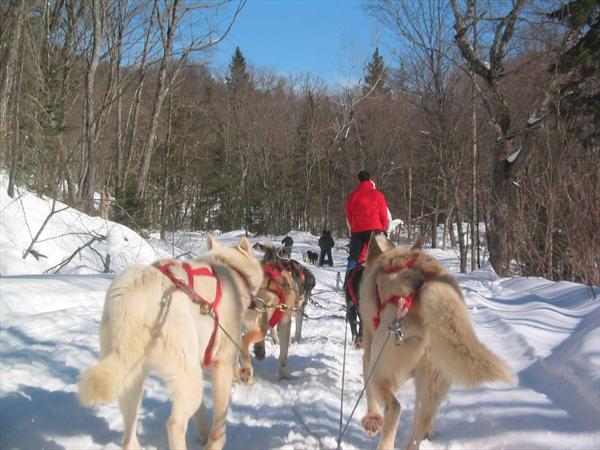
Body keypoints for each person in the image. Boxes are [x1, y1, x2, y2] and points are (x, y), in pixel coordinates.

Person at [344, 170, 390, 274]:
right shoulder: (377, 195)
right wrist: (382, 228)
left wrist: (354, 225)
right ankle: (380, 282)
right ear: (369, 179)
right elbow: (383, 214)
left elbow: (348, 213)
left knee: (353, 257)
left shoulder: (353, 195)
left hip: (357, 230)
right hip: (374, 228)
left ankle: (348, 281)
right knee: (378, 256)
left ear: (359, 180)